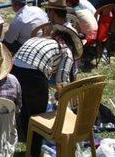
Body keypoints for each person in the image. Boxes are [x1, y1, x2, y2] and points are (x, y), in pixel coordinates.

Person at [11, 25, 82, 156]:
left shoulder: (39, 39)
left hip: (14, 70)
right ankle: (35, 151)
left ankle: (29, 142)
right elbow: (61, 80)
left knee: (26, 110)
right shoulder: (66, 51)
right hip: (33, 76)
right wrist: (62, 95)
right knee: (38, 116)